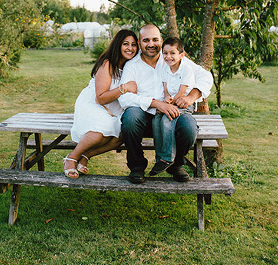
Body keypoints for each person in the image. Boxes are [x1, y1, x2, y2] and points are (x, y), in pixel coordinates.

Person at [117, 23, 214, 183]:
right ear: (140, 43)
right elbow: (124, 98)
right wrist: (156, 103)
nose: (151, 44)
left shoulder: (172, 57)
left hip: (174, 114)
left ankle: (176, 164)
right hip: (145, 116)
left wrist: (190, 98)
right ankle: (137, 167)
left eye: (155, 39)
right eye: (146, 40)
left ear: (161, 40)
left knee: (189, 127)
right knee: (130, 118)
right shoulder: (132, 65)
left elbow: (205, 77)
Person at [66, 28, 138, 177]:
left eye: (133, 44)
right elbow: (100, 98)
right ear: (118, 45)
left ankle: (86, 156)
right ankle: (71, 157)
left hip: (114, 107)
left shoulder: (132, 66)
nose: (130, 48)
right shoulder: (108, 64)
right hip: (94, 103)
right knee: (100, 131)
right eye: (126, 44)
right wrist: (124, 88)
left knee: (121, 136)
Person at [149, 36, 212, 177]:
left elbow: (182, 92)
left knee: (167, 120)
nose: (168, 56)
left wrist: (173, 102)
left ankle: (169, 158)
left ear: (181, 55)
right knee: (156, 120)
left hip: (182, 103)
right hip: (168, 103)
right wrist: (166, 98)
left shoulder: (186, 69)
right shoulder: (165, 68)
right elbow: (165, 87)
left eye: (172, 53)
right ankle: (160, 157)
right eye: (165, 53)